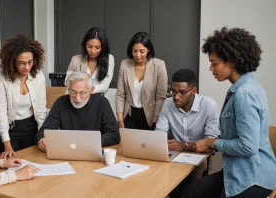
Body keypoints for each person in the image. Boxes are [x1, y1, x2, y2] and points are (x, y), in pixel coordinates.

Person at [183, 27, 276, 198]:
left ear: (231, 60)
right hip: (237, 169)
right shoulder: (243, 87)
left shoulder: (244, 94)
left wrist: (213, 143)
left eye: (214, 63)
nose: (211, 68)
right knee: (191, 192)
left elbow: (248, 146)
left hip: (253, 177)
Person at [156, 68, 220, 198]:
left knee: (187, 191)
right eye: (173, 91)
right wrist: (159, 143)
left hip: (198, 157)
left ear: (194, 91)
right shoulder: (168, 104)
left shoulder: (208, 105)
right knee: (157, 182)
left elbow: (211, 144)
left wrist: (184, 145)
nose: (176, 96)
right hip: (173, 155)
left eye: (182, 92)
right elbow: (159, 134)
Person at [36, 71, 120, 152]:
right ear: (68, 89)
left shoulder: (102, 102)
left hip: (92, 150)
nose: (77, 98)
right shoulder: (60, 102)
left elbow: (114, 134)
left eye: (82, 93)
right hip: (68, 151)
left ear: (91, 90)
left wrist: (88, 143)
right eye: (73, 92)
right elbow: (43, 131)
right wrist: (42, 140)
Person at [0, 33, 47, 159]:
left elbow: (40, 109)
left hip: (31, 127)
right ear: (12, 62)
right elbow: (1, 112)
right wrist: (7, 144)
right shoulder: (2, 78)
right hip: (9, 129)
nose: (27, 67)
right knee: (12, 166)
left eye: (30, 62)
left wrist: (43, 136)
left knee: (34, 162)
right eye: (21, 63)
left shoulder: (38, 76)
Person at [116, 32, 167, 130]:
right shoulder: (125, 64)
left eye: (142, 51)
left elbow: (161, 97)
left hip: (150, 117)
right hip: (129, 115)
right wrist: (120, 120)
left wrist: (156, 119)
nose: (137, 55)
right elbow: (120, 94)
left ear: (148, 50)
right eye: (134, 51)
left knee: (148, 145)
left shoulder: (159, 65)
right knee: (128, 144)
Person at [65, 27, 114, 97]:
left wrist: (84, 89)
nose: (93, 51)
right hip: (78, 98)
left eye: (97, 47)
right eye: (89, 46)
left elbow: (104, 86)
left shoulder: (109, 59)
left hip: (99, 99)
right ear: (85, 45)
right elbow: (67, 82)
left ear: (103, 47)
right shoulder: (75, 59)